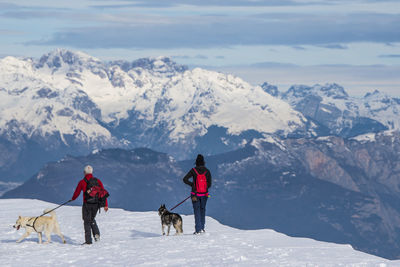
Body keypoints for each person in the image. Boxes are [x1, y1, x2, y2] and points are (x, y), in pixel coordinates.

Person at [71, 165, 108, 245]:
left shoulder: (82, 182)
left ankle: (88, 241)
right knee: (91, 219)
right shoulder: (98, 181)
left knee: (87, 221)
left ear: (84, 173)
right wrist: (105, 205)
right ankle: (96, 234)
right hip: (96, 204)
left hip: (87, 204)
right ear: (92, 172)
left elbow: (77, 193)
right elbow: (103, 193)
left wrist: (72, 199)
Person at [183, 154, 212, 234]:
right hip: (204, 195)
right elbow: (209, 184)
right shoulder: (207, 171)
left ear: (196, 162)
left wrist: (192, 185)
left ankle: (198, 230)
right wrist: (204, 188)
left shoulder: (193, 170)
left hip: (195, 194)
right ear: (203, 162)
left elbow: (185, 179)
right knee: (203, 210)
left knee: (197, 211)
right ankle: (202, 228)